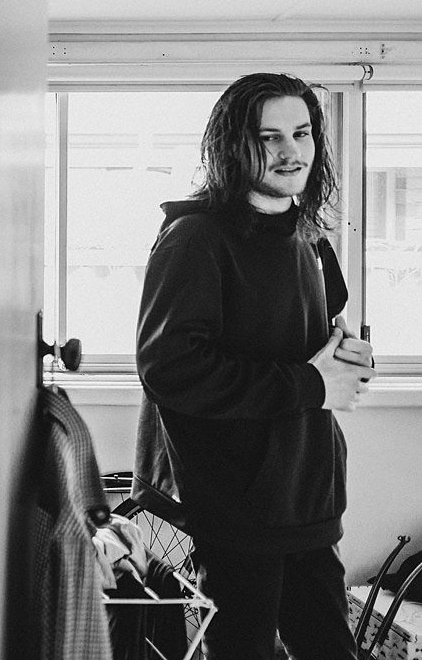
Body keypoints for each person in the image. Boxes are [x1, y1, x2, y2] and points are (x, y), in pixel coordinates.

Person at [133, 72, 374, 660]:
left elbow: (317, 337)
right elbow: (172, 369)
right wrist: (315, 383)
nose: (291, 152)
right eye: (269, 138)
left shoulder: (310, 235)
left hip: (308, 494)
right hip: (236, 503)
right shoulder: (195, 237)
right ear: (231, 146)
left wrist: (349, 358)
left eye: (302, 132)